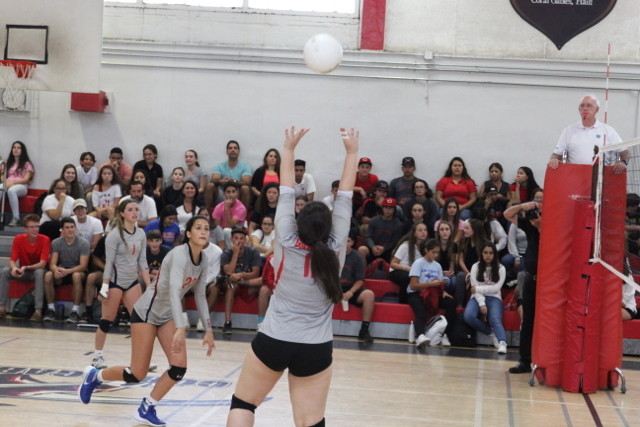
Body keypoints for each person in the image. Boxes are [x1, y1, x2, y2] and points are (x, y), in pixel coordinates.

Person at [225, 126, 357, 427]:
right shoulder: (336, 248)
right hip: (316, 347)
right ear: (330, 228)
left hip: (275, 338)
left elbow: (285, 189)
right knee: (310, 423)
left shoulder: (284, 235)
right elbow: (346, 195)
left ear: (298, 223)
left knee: (243, 404)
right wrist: (351, 153)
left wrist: (288, 149)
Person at [79, 216, 215, 427]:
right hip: (146, 314)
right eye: (198, 228)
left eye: (206, 228)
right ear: (188, 234)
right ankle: (96, 377)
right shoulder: (179, 255)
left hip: (167, 315)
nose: (203, 231)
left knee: (178, 367)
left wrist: (208, 329)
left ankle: (147, 407)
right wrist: (181, 327)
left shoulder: (204, 259)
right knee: (136, 374)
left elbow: (199, 296)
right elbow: (172, 293)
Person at [91, 199, 150, 370]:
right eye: (130, 209)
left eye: (136, 209)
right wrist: (104, 287)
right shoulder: (114, 235)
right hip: (115, 281)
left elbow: (143, 261)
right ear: (122, 214)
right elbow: (108, 263)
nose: (135, 212)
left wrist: (149, 286)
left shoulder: (141, 234)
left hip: (132, 281)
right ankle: (97, 357)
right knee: (107, 321)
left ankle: (140, 359)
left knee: (139, 322)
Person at [505, 189, 543, 374]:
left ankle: (544, 360)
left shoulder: (555, 225)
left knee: (546, 322)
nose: (538, 204)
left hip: (549, 284)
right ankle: (524, 361)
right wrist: (523, 206)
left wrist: (541, 226)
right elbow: (507, 214)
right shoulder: (529, 224)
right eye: (536, 200)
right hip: (531, 280)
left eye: (541, 200)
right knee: (528, 321)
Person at [548, 94, 628, 174]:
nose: (585, 108)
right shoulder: (568, 131)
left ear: (597, 109)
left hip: (601, 178)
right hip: (575, 177)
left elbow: (624, 151)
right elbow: (557, 153)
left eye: (589, 106)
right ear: (579, 109)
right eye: (582, 106)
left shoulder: (608, 130)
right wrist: (554, 159)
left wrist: (623, 162)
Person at [210, 225, 261, 334]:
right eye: (236, 238)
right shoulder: (226, 254)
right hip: (232, 283)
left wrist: (240, 276)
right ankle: (227, 322)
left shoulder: (253, 252)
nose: (239, 241)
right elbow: (229, 272)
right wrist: (236, 253)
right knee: (231, 285)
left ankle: (263, 323)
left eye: (241, 238)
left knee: (264, 285)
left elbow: (255, 273)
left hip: (247, 283)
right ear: (231, 240)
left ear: (246, 240)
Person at [0, 214, 50, 321]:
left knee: (39, 272)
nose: (35, 229)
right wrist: (14, 269)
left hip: (37, 271)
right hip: (24, 272)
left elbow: (42, 264)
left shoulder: (45, 239)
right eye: (31, 227)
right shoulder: (18, 239)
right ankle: (2, 307)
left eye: (37, 226)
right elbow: (12, 260)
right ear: (25, 229)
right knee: (5, 271)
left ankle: (38, 311)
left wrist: (25, 267)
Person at [408, 239, 456, 348]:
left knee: (451, 303)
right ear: (426, 250)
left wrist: (442, 291)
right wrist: (430, 284)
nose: (435, 255)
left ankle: (445, 335)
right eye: (433, 252)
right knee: (420, 310)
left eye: (437, 253)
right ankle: (420, 335)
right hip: (416, 293)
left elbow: (437, 283)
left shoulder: (437, 266)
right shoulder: (418, 263)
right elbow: (413, 285)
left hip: (432, 292)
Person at [463, 242, 507, 354]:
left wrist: (478, 289)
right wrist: (482, 304)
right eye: (485, 253)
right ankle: (490, 333)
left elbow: (496, 288)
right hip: (477, 298)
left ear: (495, 255)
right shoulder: (475, 267)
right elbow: (474, 289)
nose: (488, 255)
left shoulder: (501, 268)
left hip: (494, 297)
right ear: (481, 254)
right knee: (468, 316)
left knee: (495, 319)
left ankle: (502, 343)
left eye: (491, 253)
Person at [43, 217, 90, 322]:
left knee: (76, 276)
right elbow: (53, 263)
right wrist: (56, 270)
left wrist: (67, 271)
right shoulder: (56, 242)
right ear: (62, 230)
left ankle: (75, 311)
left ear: (75, 228)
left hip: (78, 271)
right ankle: (51, 309)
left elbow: (83, 265)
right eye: (67, 227)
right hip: (63, 270)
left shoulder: (83, 243)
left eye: (72, 227)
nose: (70, 230)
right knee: (48, 275)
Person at [341, 232, 375, 343]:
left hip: (351, 288)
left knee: (369, 295)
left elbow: (360, 280)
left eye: (348, 241)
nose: (345, 244)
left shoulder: (357, 257)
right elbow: (326, 277)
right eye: (343, 240)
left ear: (352, 243)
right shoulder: (331, 255)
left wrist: (351, 291)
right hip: (334, 287)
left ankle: (364, 331)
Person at [389, 223, 428, 304]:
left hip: (413, 273)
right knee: (407, 277)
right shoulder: (406, 245)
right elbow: (393, 264)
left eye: (425, 230)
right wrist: (406, 268)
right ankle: (403, 302)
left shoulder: (426, 248)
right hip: (397, 271)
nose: (423, 232)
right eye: (420, 230)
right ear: (414, 233)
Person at [206, 141, 252, 209]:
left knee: (245, 188)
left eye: (235, 148)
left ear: (239, 152)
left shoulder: (245, 167)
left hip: (237, 195)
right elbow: (213, 180)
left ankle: (243, 217)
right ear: (227, 151)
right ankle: (206, 214)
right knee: (210, 186)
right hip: (222, 195)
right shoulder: (220, 166)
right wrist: (220, 181)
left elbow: (247, 182)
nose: (233, 150)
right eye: (230, 148)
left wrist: (233, 181)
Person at [454, 219, 489, 308]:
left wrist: (472, 274)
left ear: (474, 230)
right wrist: (468, 273)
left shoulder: (484, 244)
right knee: (461, 276)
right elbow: (460, 260)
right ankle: (459, 306)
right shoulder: (463, 241)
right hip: (465, 270)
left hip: (479, 271)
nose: (464, 230)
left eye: (467, 228)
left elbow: (483, 263)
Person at [358, 197, 404, 264]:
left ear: (394, 210)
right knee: (362, 249)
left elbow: (395, 241)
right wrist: (373, 247)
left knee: (395, 252)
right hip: (373, 248)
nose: (388, 210)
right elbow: (369, 236)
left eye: (390, 208)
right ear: (382, 208)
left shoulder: (398, 224)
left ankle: (391, 273)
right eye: (386, 207)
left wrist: (384, 248)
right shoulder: (374, 220)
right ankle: (363, 273)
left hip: (388, 251)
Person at [0, 141, 35, 227]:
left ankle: (16, 218)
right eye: (14, 147)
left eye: (18, 148)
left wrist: (13, 183)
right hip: (8, 183)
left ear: (22, 150)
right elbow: (1, 176)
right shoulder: (7, 162)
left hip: (21, 186)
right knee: (0, 188)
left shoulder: (27, 164)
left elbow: (26, 179)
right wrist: (6, 181)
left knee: (12, 191)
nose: (16, 149)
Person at [212, 182, 247, 248]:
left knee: (226, 231)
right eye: (228, 192)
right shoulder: (218, 207)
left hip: (237, 234)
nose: (231, 195)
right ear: (224, 194)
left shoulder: (241, 208)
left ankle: (230, 253)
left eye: (233, 192)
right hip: (221, 234)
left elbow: (231, 227)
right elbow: (217, 227)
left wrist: (227, 209)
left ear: (237, 193)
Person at [435, 220, 457, 295]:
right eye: (442, 229)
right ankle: (443, 296)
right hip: (436, 272)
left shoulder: (454, 245)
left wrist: (451, 271)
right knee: (447, 282)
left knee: (454, 281)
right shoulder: (434, 245)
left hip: (448, 272)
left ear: (451, 232)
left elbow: (452, 261)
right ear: (438, 232)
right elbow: (431, 264)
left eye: (447, 229)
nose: (444, 232)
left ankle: (447, 295)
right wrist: (442, 272)